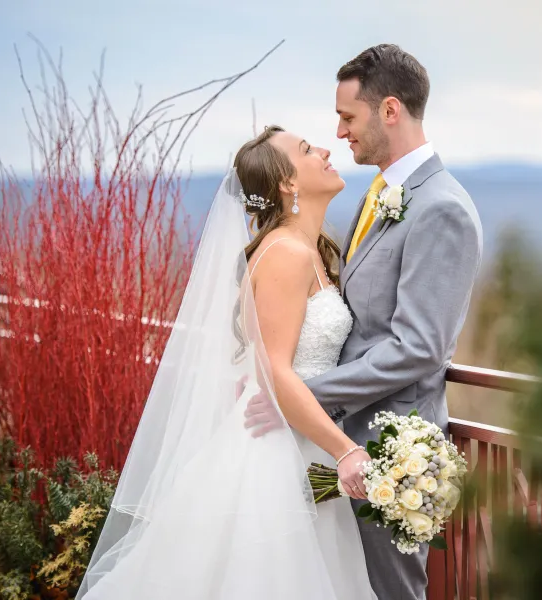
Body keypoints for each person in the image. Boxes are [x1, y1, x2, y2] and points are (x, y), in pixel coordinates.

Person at [76, 124, 377, 599]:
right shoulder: (287, 254)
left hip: (302, 440)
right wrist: (346, 450)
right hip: (279, 450)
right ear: (287, 184)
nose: (324, 148)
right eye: (305, 149)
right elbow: (279, 370)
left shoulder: (311, 250)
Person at [245, 44, 483, 600]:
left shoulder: (441, 208)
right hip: (340, 444)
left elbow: (419, 349)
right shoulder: (378, 195)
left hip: (392, 452)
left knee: (389, 593)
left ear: (391, 111)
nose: (339, 131)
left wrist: (300, 393)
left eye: (348, 117)